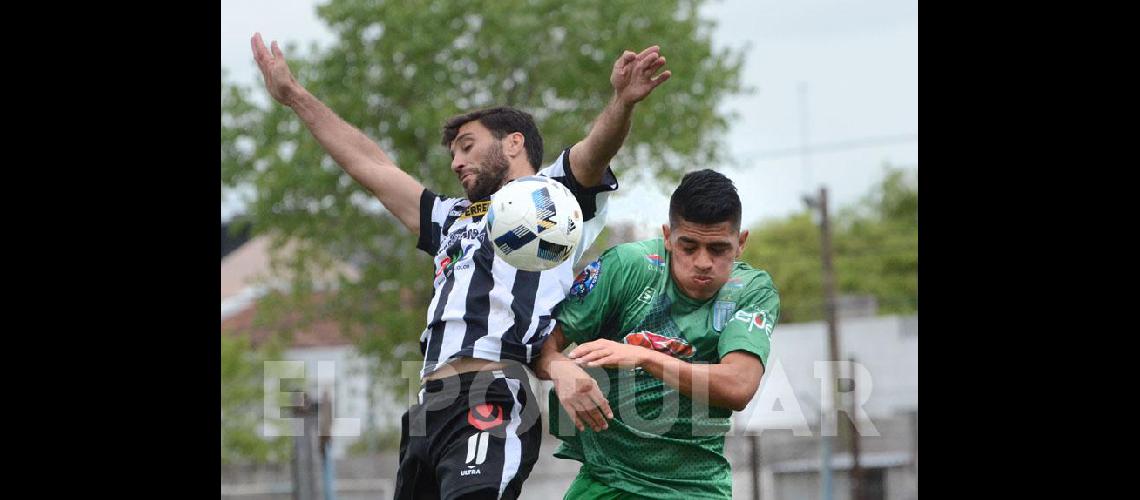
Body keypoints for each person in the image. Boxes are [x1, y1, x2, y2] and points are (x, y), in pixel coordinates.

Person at [250, 33, 671, 499]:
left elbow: (596, 148)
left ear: (514, 143)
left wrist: (622, 102)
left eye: (467, 146)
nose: (456, 161)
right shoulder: (450, 215)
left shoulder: (553, 195)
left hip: (490, 394)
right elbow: (370, 166)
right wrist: (296, 97)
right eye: (452, 152)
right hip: (428, 407)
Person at [534, 169, 780, 499]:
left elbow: (739, 386)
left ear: (741, 243)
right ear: (667, 236)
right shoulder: (626, 267)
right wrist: (558, 367)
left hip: (695, 487)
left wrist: (646, 357)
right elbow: (541, 347)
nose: (703, 262)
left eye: (718, 249)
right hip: (608, 479)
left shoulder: (751, 290)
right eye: (688, 247)